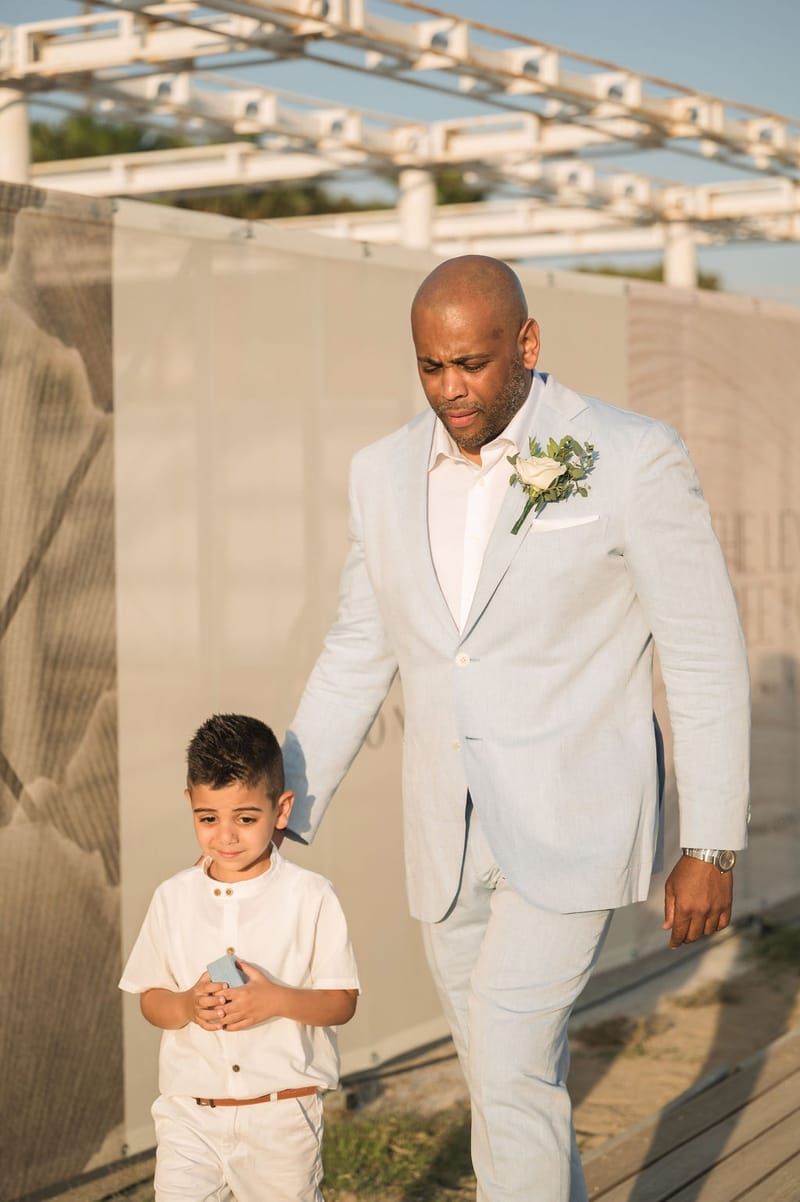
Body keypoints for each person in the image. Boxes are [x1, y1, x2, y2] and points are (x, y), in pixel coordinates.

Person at [282, 255, 750, 1202]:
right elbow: (356, 653)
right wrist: (278, 813)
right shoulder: (380, 473)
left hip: (574, 821)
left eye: (473, 364)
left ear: (527, 345)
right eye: (429, 366)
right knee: (508, 1085)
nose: (450, 389)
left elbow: (703, 654)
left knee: (507, 1060)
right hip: (446, 838)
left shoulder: (629, 454)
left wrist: (712, 843)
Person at [120, 713, 360, 1202]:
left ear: (282, 809)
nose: (225, 836)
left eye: (245, 818)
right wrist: (187, 1005)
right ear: (190, 804)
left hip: (280, 1119)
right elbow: (151, 999)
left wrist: (274, 1001)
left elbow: (341, 1002)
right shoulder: (172, 897)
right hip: (190, 1114)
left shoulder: (311, 896)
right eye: (208, 818)